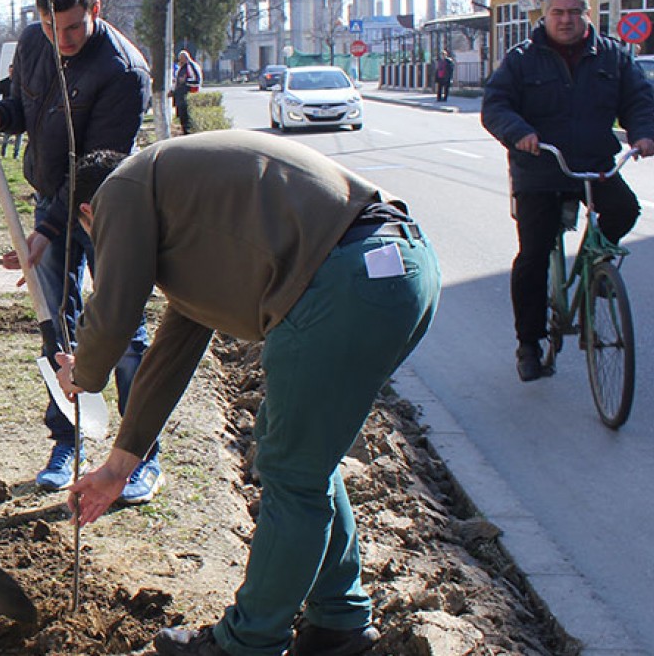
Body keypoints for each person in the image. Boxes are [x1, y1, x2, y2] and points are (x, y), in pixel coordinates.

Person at [57, 131, 441, 656]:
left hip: (344, 278)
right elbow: (171, 351)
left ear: (88, 212)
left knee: (290, 471)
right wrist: (118, 468)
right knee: (309, 460)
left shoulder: (121, 188)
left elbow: (116, 306)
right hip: (400, 267)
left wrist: (85, 372)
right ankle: (338, 622)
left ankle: (248, 642)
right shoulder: (185, 209)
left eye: (92, 235)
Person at [0, 0, 160, 503]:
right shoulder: (33, 41)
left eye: (73, 27)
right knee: (57, 327)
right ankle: (68, 440)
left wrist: (46, 233)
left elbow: (97, 166)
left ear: (95, 11)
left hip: (110, 205)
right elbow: (24, 109)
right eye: (52, 28)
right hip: (51, 196)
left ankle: (140, 457)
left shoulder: (124, 71)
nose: (62, 40)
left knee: (122, 330)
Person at [480, 0, 654, 382]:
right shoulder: (523, 59)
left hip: (595, 163)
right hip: (541, 167)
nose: (566, 20)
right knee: (533, 256)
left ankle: (596, 264)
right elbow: (496, 105)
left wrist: (645, 134)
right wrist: (519, 132)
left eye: (574, 12)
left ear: (587, 15)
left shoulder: (612, 56)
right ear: (545, 15)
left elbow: (639, 100)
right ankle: (529, 344)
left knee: (624, 209)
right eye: (558, 12)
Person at [173, 49, 203, 134]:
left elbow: (196, 80)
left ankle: (188, 132)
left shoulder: (191, 66)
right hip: (180, 97)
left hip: (187, 96)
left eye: (182, 58)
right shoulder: (181, 68)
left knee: (187, 117)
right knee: (181, 117)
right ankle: (184, 131)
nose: (180, 60)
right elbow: (177, 81)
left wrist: (186, 82)